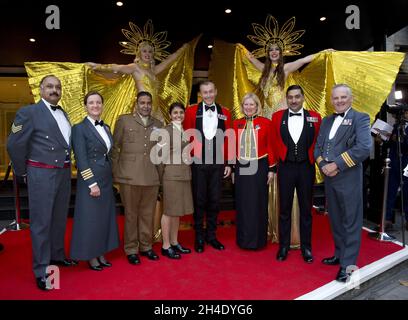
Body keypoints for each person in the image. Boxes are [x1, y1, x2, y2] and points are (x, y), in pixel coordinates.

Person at [7, 75, 77, 291]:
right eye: (50, 86)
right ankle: (41, 270)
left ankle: (57, 256)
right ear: (40, 89)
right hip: (41, 174)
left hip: (64, 173)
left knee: (58, 219)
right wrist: (22, 172)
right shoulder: (28, 113)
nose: (54, 90)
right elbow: (14, 144)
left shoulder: (63, 112)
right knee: (41, 223)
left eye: (57, 87)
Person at [314, 84, 371, 282]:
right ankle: (339, 254)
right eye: (336, 98)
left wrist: (336, 165)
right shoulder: (327, 120)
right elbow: (318, 148)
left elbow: (364, 148)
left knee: (351, 221)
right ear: (331, 100)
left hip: (348, 178)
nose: (339, 101)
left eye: (343, 97)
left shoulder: (360, 118)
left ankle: (348, 265)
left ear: (351, 98)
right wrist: (323, 165)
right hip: (329, 177)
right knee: (336, 219)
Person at [86, 20, 193, 122]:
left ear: (153, 54)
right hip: (142, 108)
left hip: (156, 109)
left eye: (150, 52)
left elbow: (169, 60)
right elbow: (117, 67)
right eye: (144, 51)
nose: (147, 54)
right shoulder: (135, 67)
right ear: (139, 53)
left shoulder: (153, 70)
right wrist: (97, 66)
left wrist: (183, 49)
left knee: (159, 138)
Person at [271, 85, 321, 262]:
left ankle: (306, 248)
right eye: (290, 97)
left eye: (297, 97)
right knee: (284, 209)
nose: (293, 100)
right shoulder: (277, 117)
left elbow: (318, 141)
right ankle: (283, 246)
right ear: (286, 98)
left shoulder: (315, 117)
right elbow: (273, 141)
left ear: (303, 97)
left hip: (306, 167)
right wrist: (274, 163)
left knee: (306, 209)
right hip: (285, 167)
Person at [70, 91, 120, 271]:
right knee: (90, 218)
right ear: (85, 106)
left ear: (102, 105)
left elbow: (109, 154)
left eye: (98, 102)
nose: (95, 105)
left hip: (106, 178)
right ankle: (90, 256)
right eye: (91, 103)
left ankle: (101, 252)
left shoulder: (106, 127)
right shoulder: (78, 128)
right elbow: (81, 159)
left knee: (103, 218)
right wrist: (92, 183)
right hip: (90, 180)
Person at [111, 91, 163, 265]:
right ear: (136, 104)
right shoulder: (124, 121)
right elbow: (115, 148)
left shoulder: (158, 124)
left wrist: (160, 177)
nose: (146, 106)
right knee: (131, 215)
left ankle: (146, 246)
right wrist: (116, 174)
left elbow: (160, 154)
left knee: (147, 215)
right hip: (129, 176)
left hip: (151, 176)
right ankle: (131, 248)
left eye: (148, 103)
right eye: (142, 102)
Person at [183, 80, 232, 253]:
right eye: (205, 92)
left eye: (211, 91)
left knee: (215, 200)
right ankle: (199, 237)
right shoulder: (190, 111)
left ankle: (212, 236)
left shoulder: (225, 112)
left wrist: (229, 163)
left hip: (218, 163)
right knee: (199, 200)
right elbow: (186, 136)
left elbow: (228, 138)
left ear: (216, 91)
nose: (209, 95)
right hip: (197, 161)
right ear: (200, 94)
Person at [232, 93, 274, 249]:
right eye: (246, 105)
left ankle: (258, 240)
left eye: (252, 104)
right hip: (242, 167)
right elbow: (232, 147)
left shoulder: (266, 123)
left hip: (260, 167)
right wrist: (232, 168)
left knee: (258, 202)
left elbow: (271, 146)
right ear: (242, 107)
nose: (249, 107)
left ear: (257, 106)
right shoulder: (236, 124)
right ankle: (243, 239)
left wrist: (271, 169)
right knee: (242, 203)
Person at [157, 102, 193, 259]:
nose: (178, 115)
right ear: (170, 115)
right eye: (175, 113)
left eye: (181, 113)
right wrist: (160, 180)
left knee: (177, 212)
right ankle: (165, 245)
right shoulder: (166, 131)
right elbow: (159, 158)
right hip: (171, 176)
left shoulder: (183, 130)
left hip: (184, 174)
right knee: (169, 211)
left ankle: (174, 241)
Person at [383, 110, 408, 231]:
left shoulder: (402, 129)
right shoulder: (397, 126)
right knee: (390, 192)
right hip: (394, 162)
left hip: (406, 163)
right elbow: (391, 144)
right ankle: (387, 219)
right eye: (404, 113)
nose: (405, 115)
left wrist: (398, 138)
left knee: (407, 192)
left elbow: (405, 144)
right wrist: (384, 139)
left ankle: (407, 220)